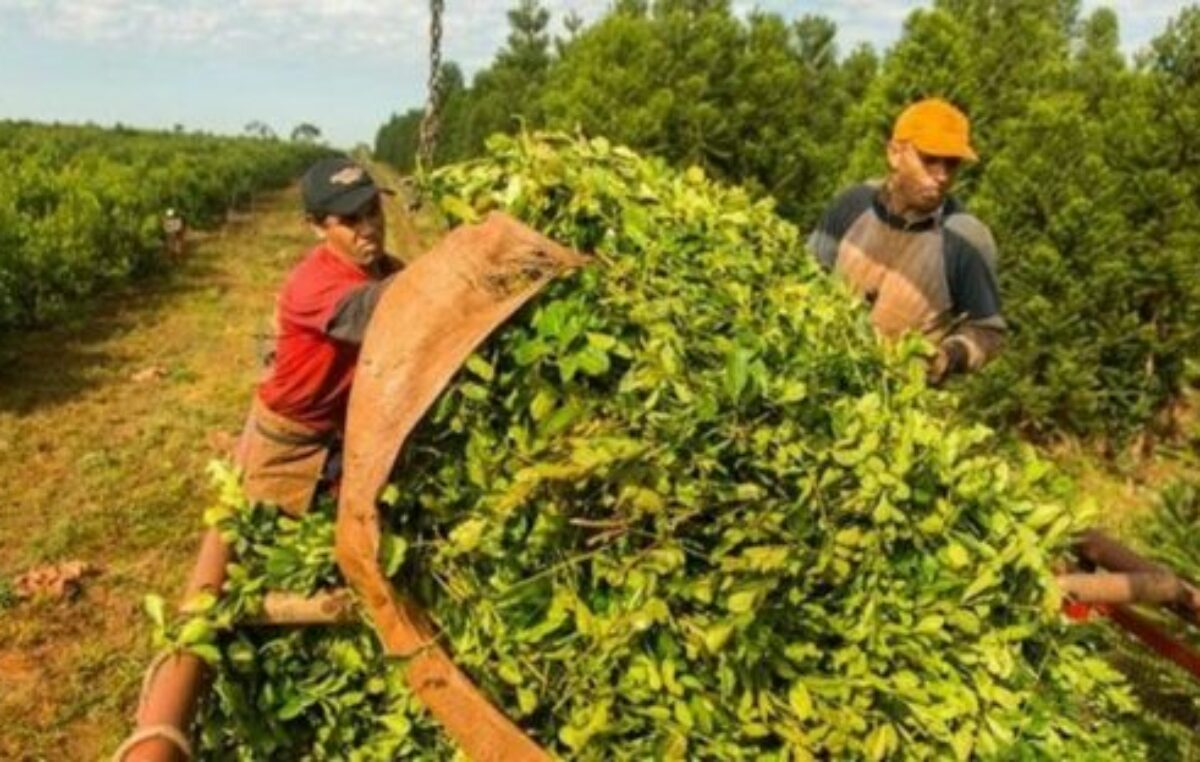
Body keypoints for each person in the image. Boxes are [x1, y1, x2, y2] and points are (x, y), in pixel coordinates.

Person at [236, 157, 401, 515]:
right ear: (315, 227)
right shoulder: (315, 284)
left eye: (373, 211)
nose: (370, 227)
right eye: (351, 220)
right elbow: (384, 311)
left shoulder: (387, 269)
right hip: (294, 442)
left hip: (344, 431)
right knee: (278, 544)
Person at [808, 98, 1005, 384]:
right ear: (895, 154)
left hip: (898, 401)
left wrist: (949, 356)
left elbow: (989, 331)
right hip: (820, 378)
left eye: (951, 164)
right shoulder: (852, 204)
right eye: (929, 160)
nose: (941, 176)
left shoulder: (965, 238)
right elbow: (805, 277)